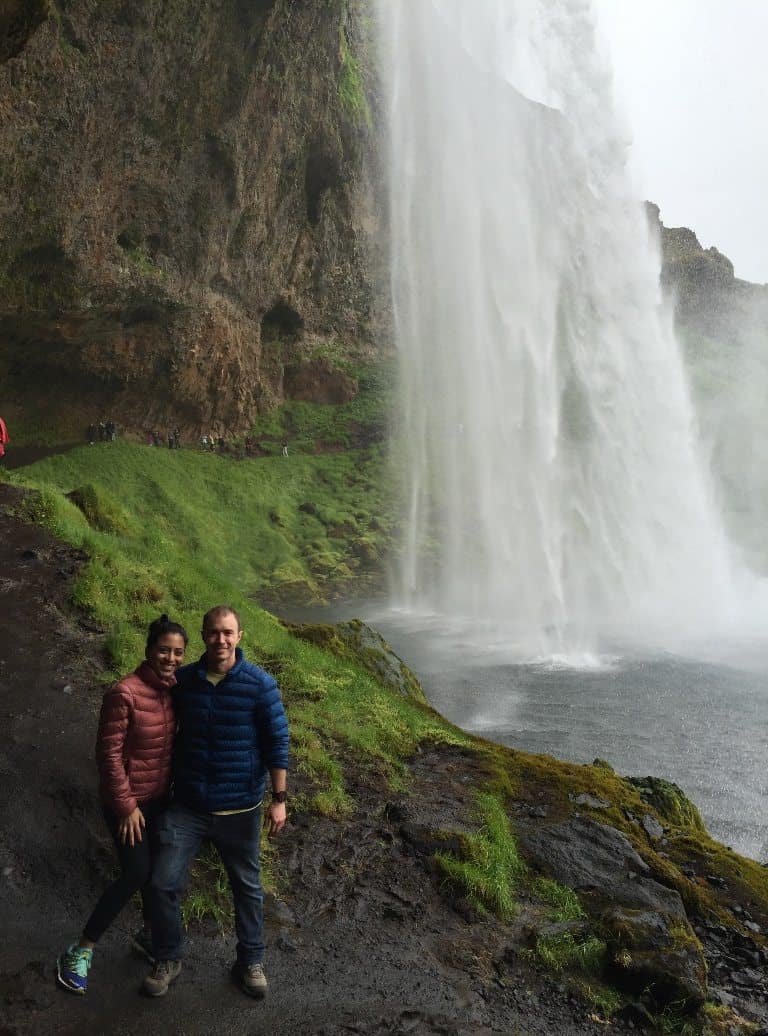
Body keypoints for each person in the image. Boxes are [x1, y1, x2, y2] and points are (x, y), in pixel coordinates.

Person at [143, 605, 288, 1000]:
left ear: (240, 636)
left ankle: (250, 961)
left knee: (247, 887)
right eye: (212, 633)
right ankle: (168, 955)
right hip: (187, 806)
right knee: (162, 882)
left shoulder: (260, 685)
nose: (220, 640)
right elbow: (150, 704)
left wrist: (279, 799)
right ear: (204, 636)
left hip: (240, 808)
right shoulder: (185, 680)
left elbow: (277, 742)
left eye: (227, 632)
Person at [56, 615, 188, 995]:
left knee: (157, 873)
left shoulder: (172, 691)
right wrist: (127, 806)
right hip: (127, 804)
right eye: (164, 650)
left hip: (160, 800)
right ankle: (79, 951)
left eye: (178, 652)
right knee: (135, 873)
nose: (170, 658)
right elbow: (108, 756)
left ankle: (150, 938)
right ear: (148, 650)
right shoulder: (124, 693)